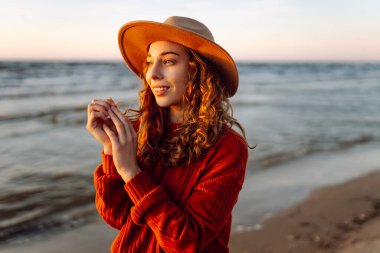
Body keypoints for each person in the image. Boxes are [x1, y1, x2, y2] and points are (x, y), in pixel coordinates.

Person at [86, 16, 253, 253]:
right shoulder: (138, 130)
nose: (152, 74)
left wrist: (131, 172)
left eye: (169, 61)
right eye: (149, 62)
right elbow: (117, 217)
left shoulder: (227, 147)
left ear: (199, 71)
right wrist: (110, 150)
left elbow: (186, 241)